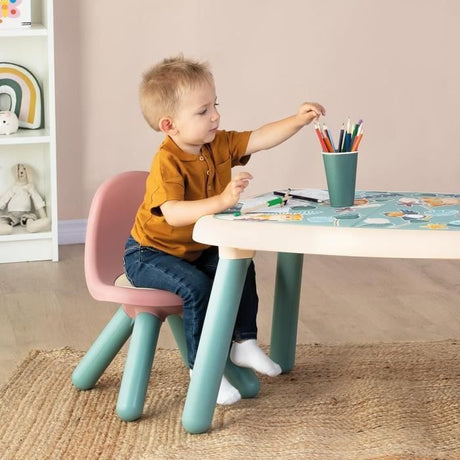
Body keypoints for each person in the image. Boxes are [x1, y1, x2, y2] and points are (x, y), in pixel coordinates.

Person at [123, 55, 325, 405]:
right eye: (202, 111)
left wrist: (297, 120)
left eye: (215, 105)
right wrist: (220, 201)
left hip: (194, 251)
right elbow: (173, 214)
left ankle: (243, 342)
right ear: (169, 125)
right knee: (198, 288)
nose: (215, 116)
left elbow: (259, 138)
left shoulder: (215, 145)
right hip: (149, 254)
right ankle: (203, 371)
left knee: (238, 260)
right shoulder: (167, 161)